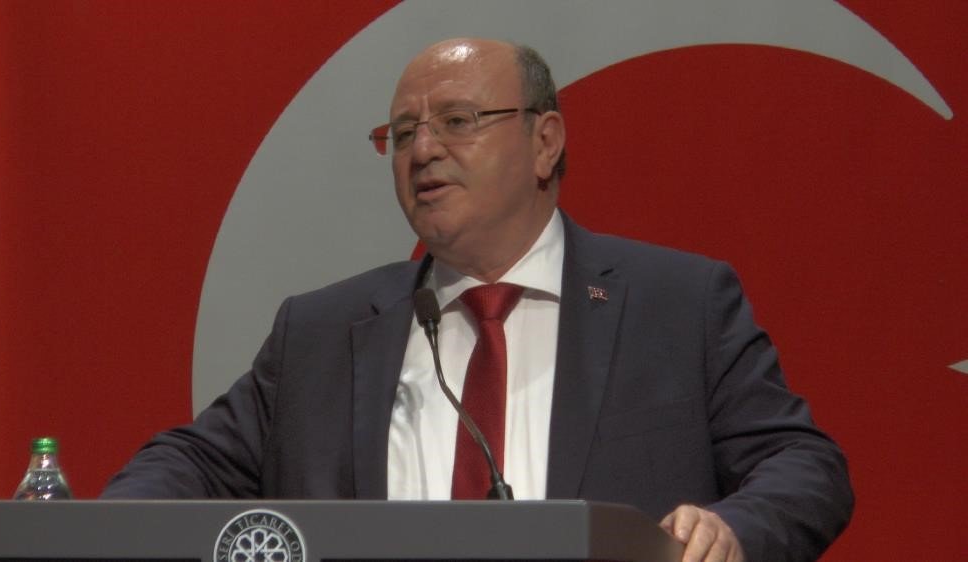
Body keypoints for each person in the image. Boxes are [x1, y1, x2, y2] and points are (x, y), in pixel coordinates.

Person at [103, 38, 854, 562]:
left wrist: (734, 528)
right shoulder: (324, 331)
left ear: (544, 141)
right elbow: (191, 462)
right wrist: (96, 532)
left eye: (457, 122)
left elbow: (803, 464)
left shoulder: (677, 304)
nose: (422, 150)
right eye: (402, 133)